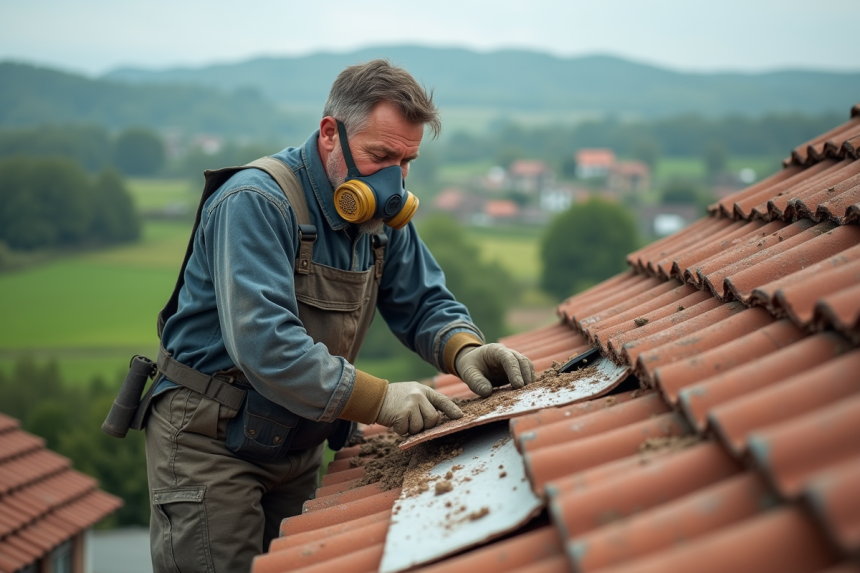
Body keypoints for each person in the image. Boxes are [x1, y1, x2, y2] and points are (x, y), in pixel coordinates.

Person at [143, 59, 534, 573]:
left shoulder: (378, 215)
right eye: (380, 156)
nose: (394, 180)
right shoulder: (255, 203)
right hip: (211, 444)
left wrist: (466, 348)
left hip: (296, 441)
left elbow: (423, 301)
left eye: (407, 161)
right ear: (330, 134)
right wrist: (382, 399)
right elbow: (265, 342)